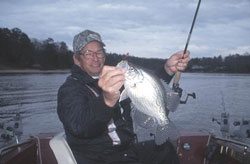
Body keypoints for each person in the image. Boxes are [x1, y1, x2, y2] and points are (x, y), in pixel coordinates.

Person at [57, 29, 190, 164]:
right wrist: (106, 101)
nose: (95, 58)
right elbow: (80, 126)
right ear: (77, 59)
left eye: (99, 52)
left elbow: (145, 88)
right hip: (101, 158)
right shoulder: (70, 90)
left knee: (166, 151)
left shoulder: (115, 78)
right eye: (88, 53)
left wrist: (167, 70)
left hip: (126, 151)